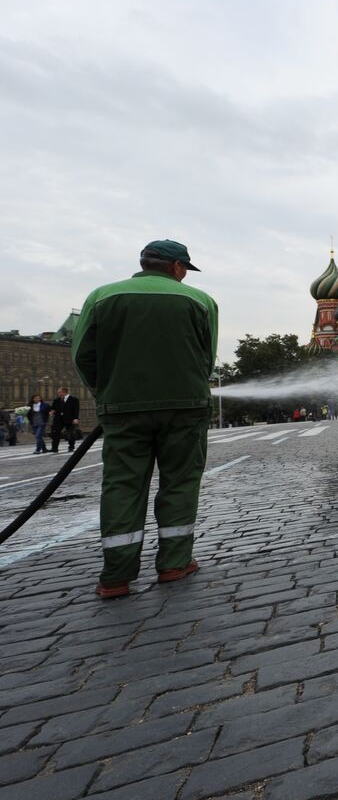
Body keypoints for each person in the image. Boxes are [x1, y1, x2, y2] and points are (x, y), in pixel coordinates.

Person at [72, 240, 218, 599]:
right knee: (181, 482)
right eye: (184, 269)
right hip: (185, 407)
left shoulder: (102, 296)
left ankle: (117, 576)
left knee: (122, 485)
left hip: (123, 410)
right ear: (176, 268)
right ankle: (174, 563)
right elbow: (207, 356)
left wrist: (107, 393)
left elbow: (82, 355)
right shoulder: (199, 300)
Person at [49, 387, 81, 452]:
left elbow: (76, 410)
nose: (58, 394)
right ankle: (54, 448)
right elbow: (53, 408)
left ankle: (71, 447)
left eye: (59, 392)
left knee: (70, 434)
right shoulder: (56, 400)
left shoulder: (74, 399)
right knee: (55, 433)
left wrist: (75, 418)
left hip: (70, 419)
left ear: (64, 392)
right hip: (58, 420)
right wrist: (52, 411)